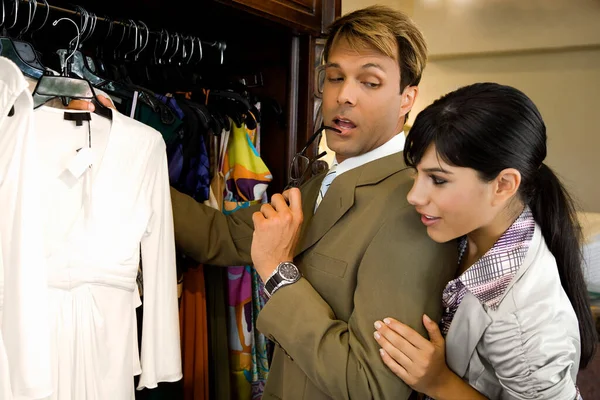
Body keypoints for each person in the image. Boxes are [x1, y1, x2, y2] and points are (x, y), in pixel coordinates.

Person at [68, 6, 456, 398]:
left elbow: (371, 386)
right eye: (335, 77)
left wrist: (277, 272)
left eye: (369, 82)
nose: (343, 96)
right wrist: (121, 156)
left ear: (407, 97)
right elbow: (218, 235)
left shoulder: (412, 207)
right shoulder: (321, 182)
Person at [372, 82, 597, 399]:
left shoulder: (527, 323)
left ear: (504, 185)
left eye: (438, 180)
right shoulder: (467, 232)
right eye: (417, 173)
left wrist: (439, 382)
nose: (414, 196)